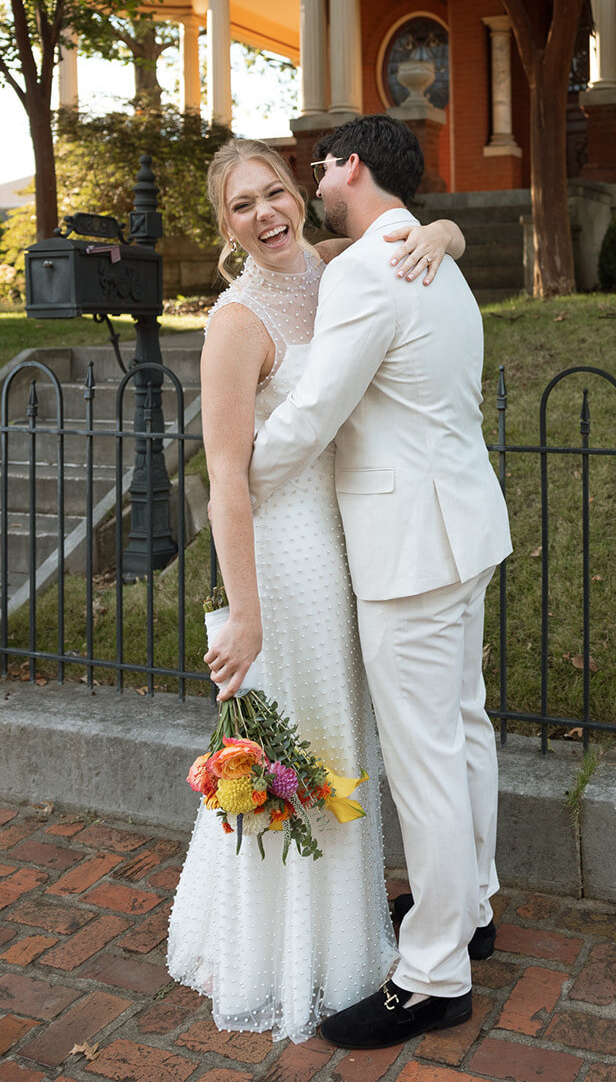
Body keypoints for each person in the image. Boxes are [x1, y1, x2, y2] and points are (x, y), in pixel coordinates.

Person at [166, 137, 465, 1044]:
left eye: (274, 194)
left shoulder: (330, 265)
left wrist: (445, 233)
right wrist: (244, 611)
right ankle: (280, 950)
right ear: (226, 230)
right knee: (294, 737)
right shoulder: (236, 321)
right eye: (242, 208)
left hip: (346, 546)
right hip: (281, 556)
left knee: (343, 734)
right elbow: (226, 478)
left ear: (300, 195)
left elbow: (408, 237)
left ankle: (349, 939)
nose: (266, 216)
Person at [247, 115, 512, 1050]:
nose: (311, 179)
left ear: (351, 166)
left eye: (318, 165)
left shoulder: (373, 269)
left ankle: (434, 973)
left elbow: (318, 410)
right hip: (465, 531)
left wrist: (237, 473)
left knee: (425, 755)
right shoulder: (429, 256)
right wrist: (446, 228)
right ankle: (470, 906)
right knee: (464, 728)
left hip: (410, 550)